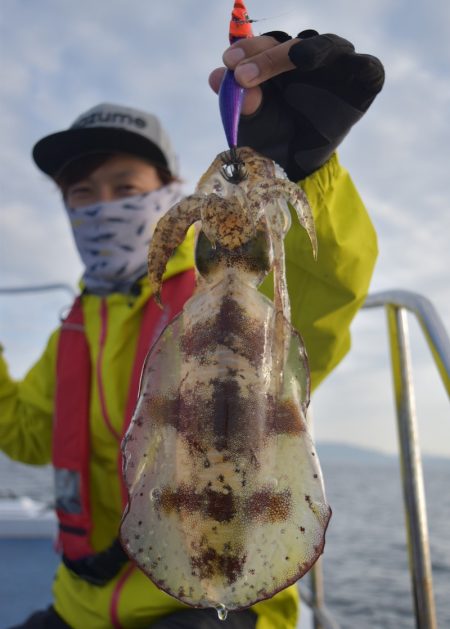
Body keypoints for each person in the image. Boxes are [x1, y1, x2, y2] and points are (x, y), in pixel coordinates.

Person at [0, 30, 383, 629]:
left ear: (170, 193)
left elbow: (321, 291)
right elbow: (25, 434)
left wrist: (304, 172)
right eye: (83, 194)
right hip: (80, 605)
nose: (102, 206)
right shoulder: (70, 333)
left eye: (125, 188)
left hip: (221, 602)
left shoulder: (233, 290)